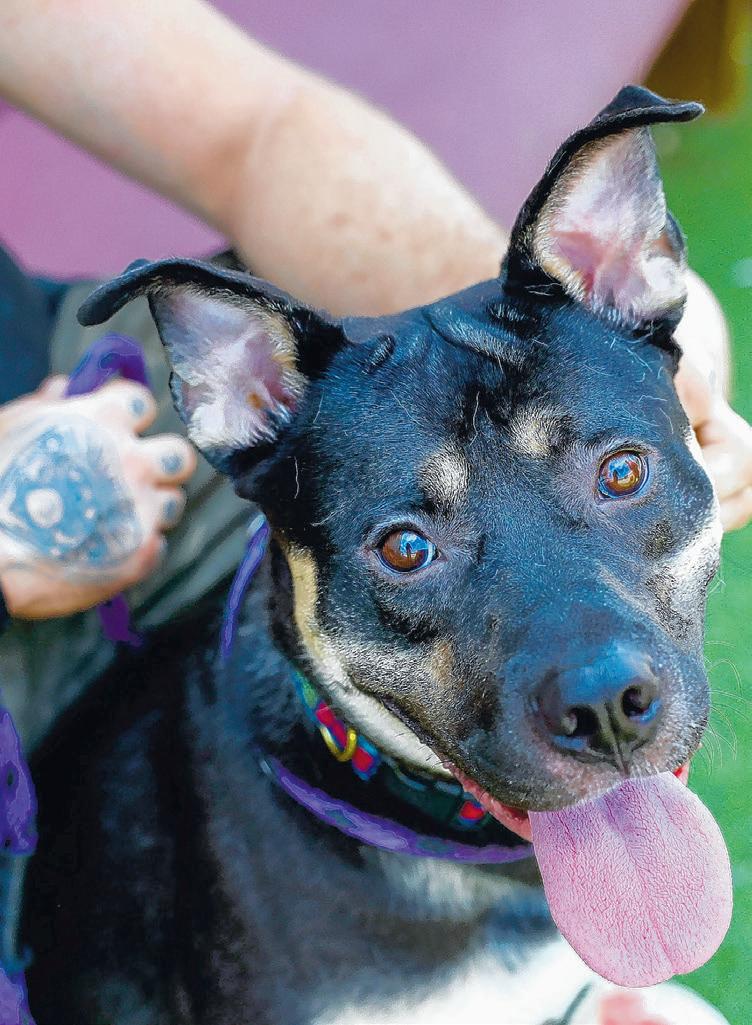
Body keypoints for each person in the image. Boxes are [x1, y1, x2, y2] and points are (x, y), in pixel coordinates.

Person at [0, 0, 750, 752]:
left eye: (620, 474)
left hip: (84, 395)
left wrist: (588, 331)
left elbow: (258, 132)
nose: (602, 689)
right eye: (409, 549)